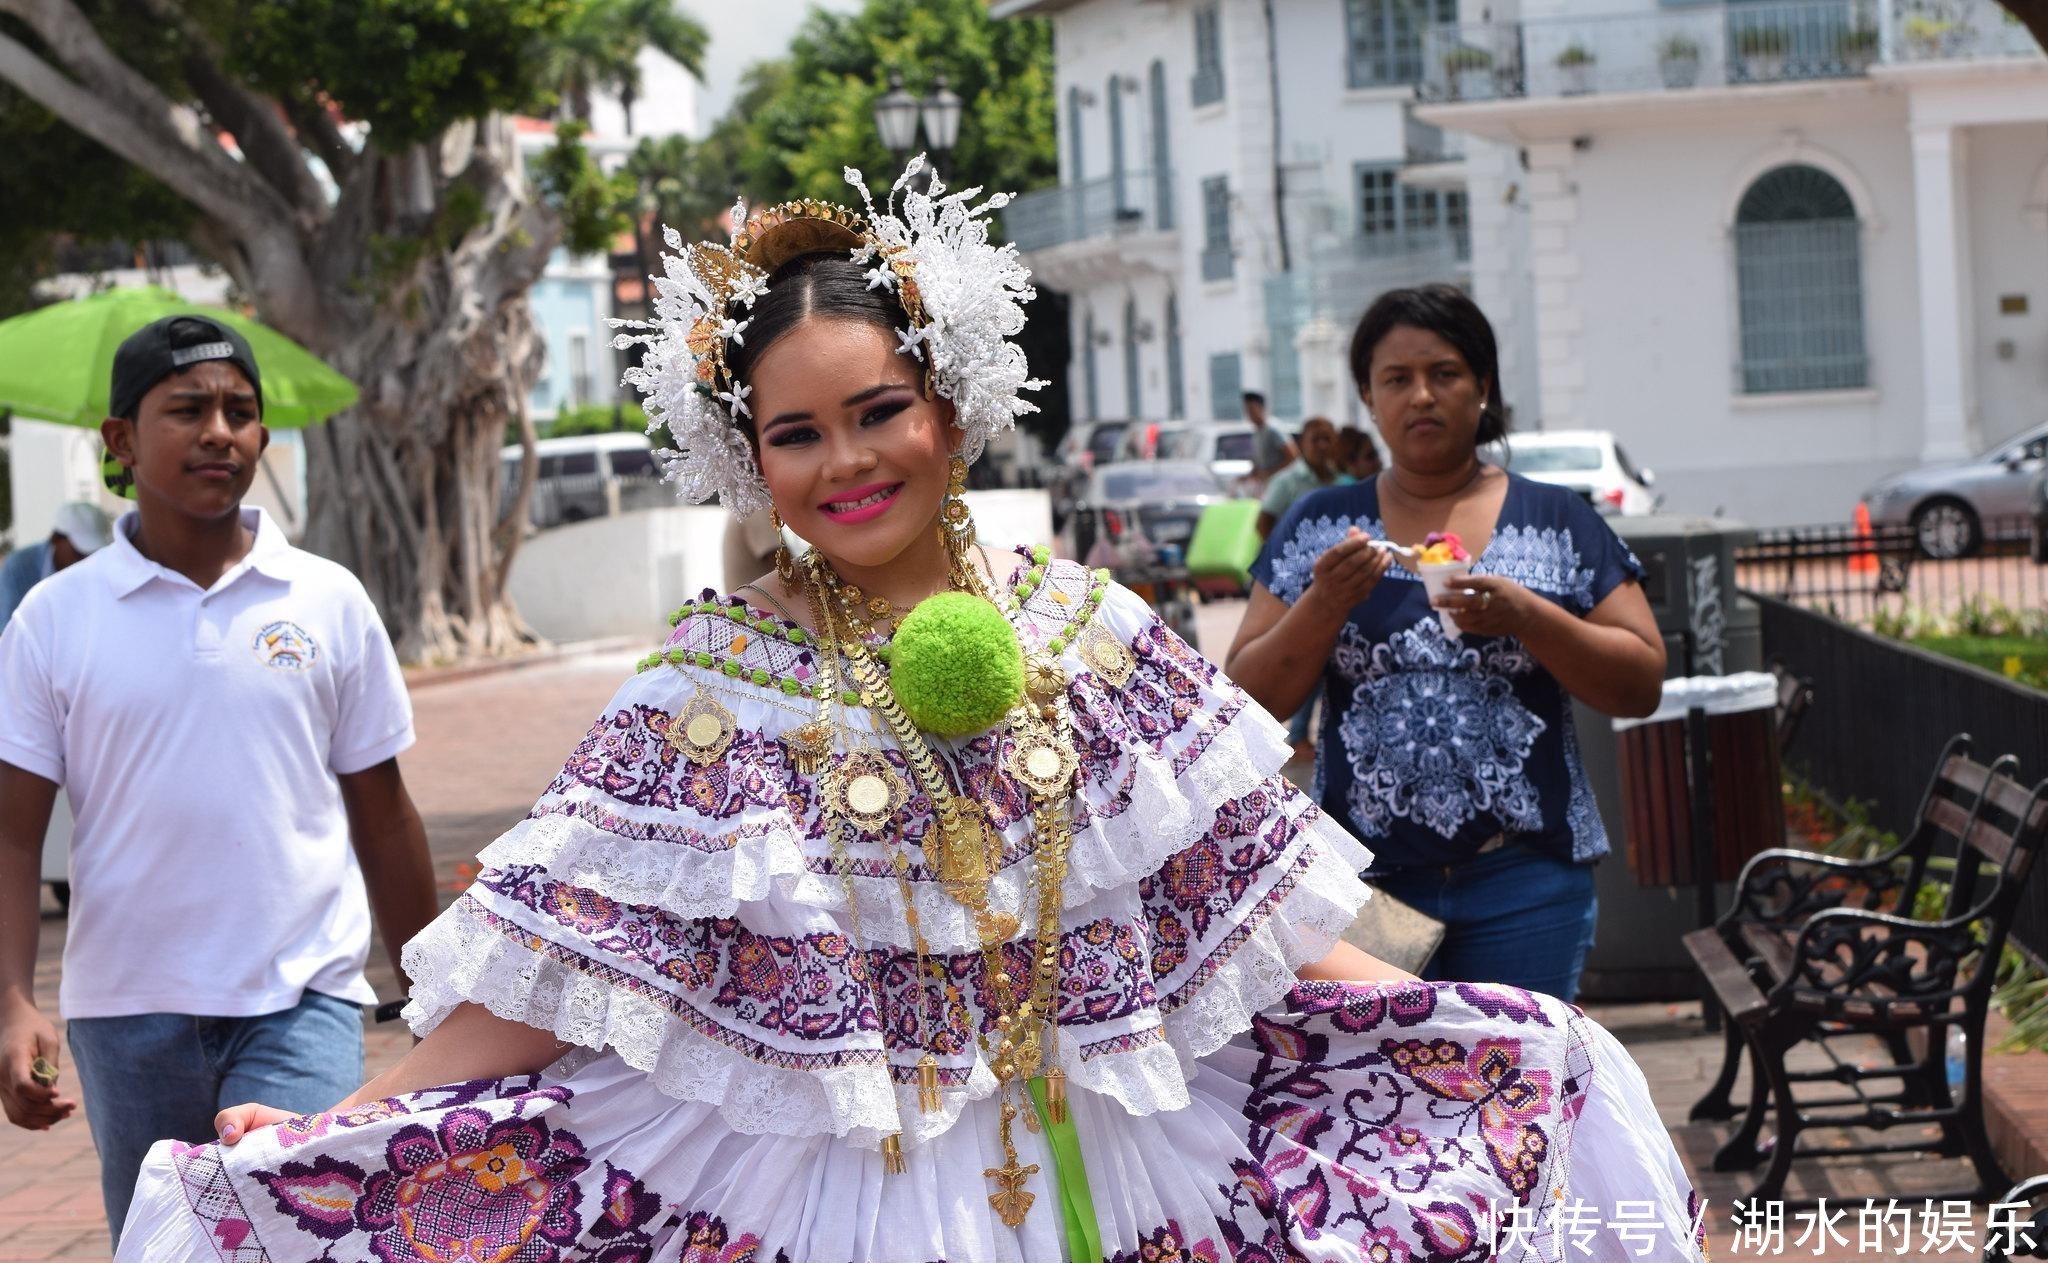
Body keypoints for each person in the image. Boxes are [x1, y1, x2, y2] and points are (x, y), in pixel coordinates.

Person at [115, 169, 1704, 1263]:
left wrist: (1489, 1032)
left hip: (1132, 1151)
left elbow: (1245, 910)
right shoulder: (713, 679)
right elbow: (580, 966)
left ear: (948, 402)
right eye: (794, 433)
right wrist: (356, 1113)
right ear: (751, 461)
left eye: (878, 409)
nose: (846, 461)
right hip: (832, 1190)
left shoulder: (1086, 625)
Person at [0, 315, 440, 1249]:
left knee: (307, 1230)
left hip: (303, 995)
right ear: (118, 440)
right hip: (126, 1012)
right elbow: (10, 830)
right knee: (168, 1241)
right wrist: (13, 999)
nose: (220, 431)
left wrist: (433, 988)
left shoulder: (326, 598)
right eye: (187, 408)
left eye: (241, 411)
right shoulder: (53, 617)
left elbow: (384, 811)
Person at [1226, 285, 1666, 1004]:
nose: (1422, 395)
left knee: (1517, 1094)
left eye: (1446, 374)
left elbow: (1642, 680)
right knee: (1384, 1101)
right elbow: (1242, 702)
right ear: (1368, 397)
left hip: (1526, 880)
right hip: (1363, 885)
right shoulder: (1320, 523)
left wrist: (1531, 616)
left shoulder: (1556, 518)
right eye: (1397, 378)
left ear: (1483, 388)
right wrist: (1325, 602)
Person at [0, 501, 111, 627]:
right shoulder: (18, 567)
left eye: (91, 554)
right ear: (56, 538)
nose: (85, 559)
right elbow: (10, 629)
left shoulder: (99, 570)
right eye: (79, 553)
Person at [1255, 416, 1340, 541]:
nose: (1322, 445)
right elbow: (1263, 524)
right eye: (1315, 440)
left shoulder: (1341, 479)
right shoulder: (1286, 481)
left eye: (1327, 439)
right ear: (1301, 444)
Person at [1241, 389, 1294, 492]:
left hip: (1280, 485)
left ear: (1261, 408)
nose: (1249, 414)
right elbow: (1259, 463)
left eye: (1252, 409)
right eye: (1247, 410)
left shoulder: (1273, 429)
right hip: (1266, 486)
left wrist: (1271, 473)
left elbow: (1292, 456)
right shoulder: (1257, 432)